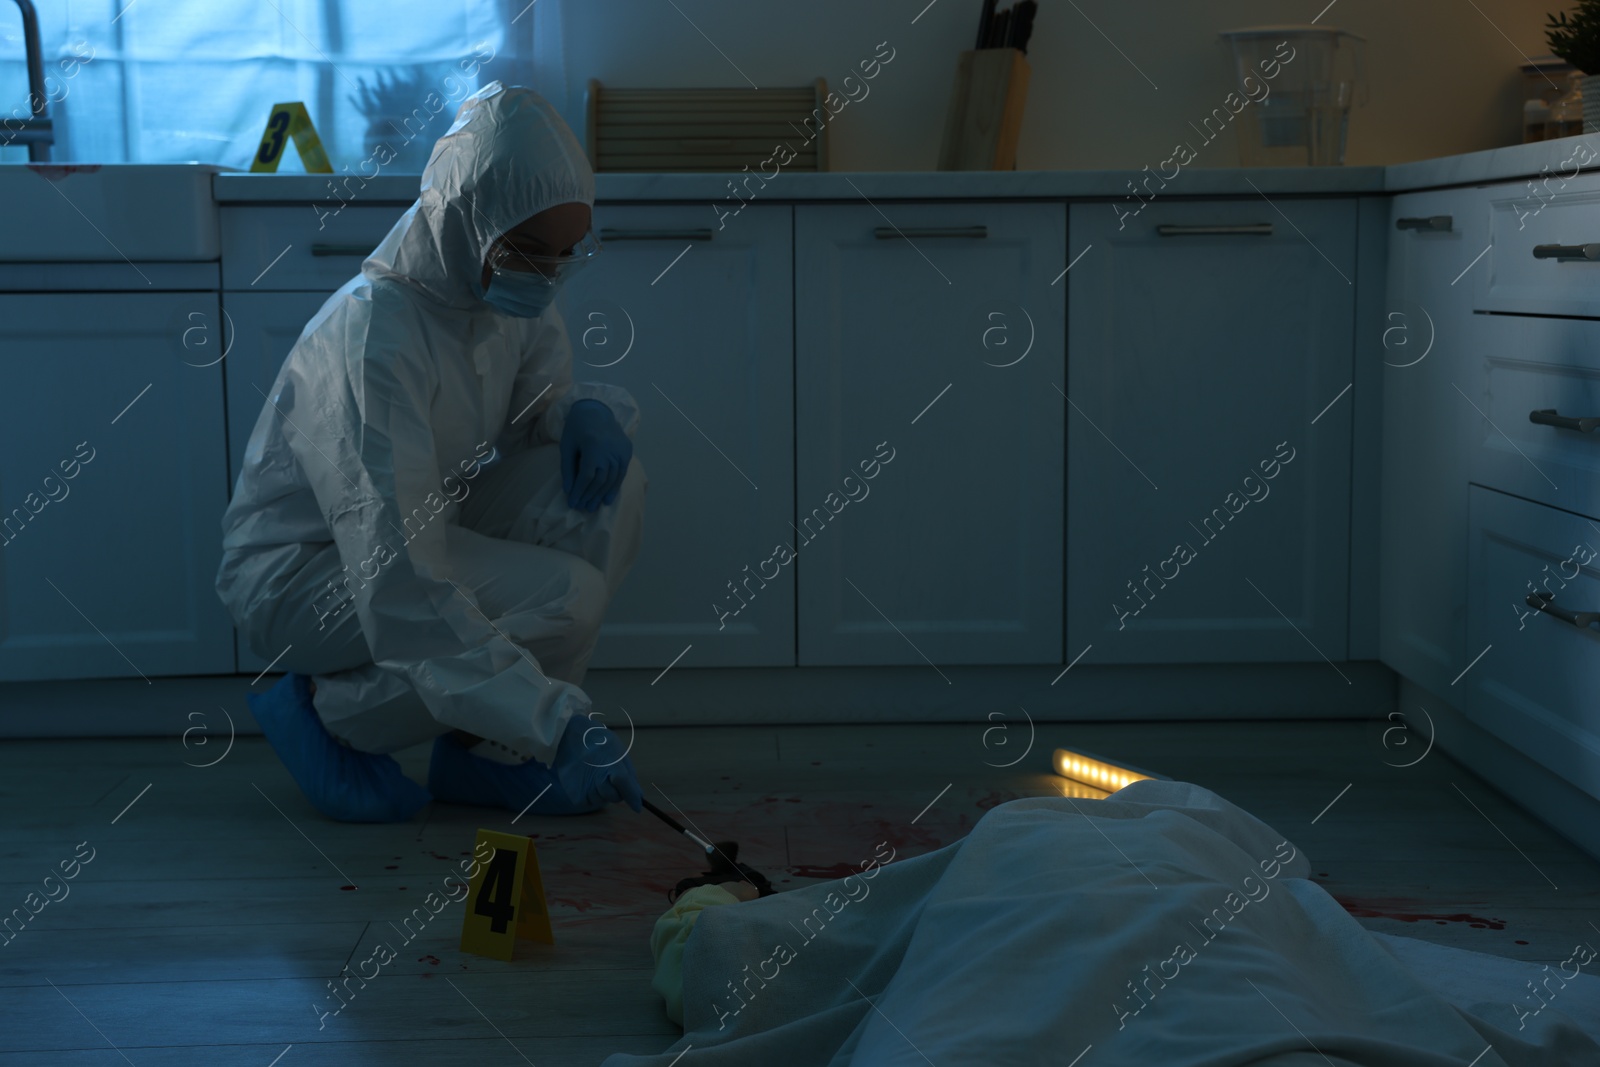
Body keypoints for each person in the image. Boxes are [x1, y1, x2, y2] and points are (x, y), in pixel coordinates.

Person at [214, 83, 644, 824]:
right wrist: (554, 719)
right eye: (533, 254)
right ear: (464, 217)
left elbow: (541, 404)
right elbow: (402, 584)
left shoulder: (499, 278)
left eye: (566, 256)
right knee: (564, 597)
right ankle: (326, 714)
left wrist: (587, 410)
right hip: (299, 571)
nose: (548, 275)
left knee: (610, 486)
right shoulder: (372, 339)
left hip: (418, 520)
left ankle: (485, 751)